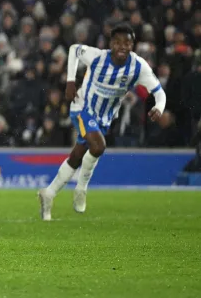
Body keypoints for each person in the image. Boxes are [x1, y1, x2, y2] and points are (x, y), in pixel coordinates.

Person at [38, 24, 166, 221]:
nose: (122, 46)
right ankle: (81, 189)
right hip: (82, 107)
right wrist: (70, 81)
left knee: (79, 154)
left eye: (127, 43)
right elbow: (74, 50)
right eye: (118, 42)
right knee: (98, 146)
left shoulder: (138, 67)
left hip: (104, 117)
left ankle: (49, 193)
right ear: (110, 44)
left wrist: (159, 107)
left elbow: (159, 93)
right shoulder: (97, 56)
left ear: (133, 45)